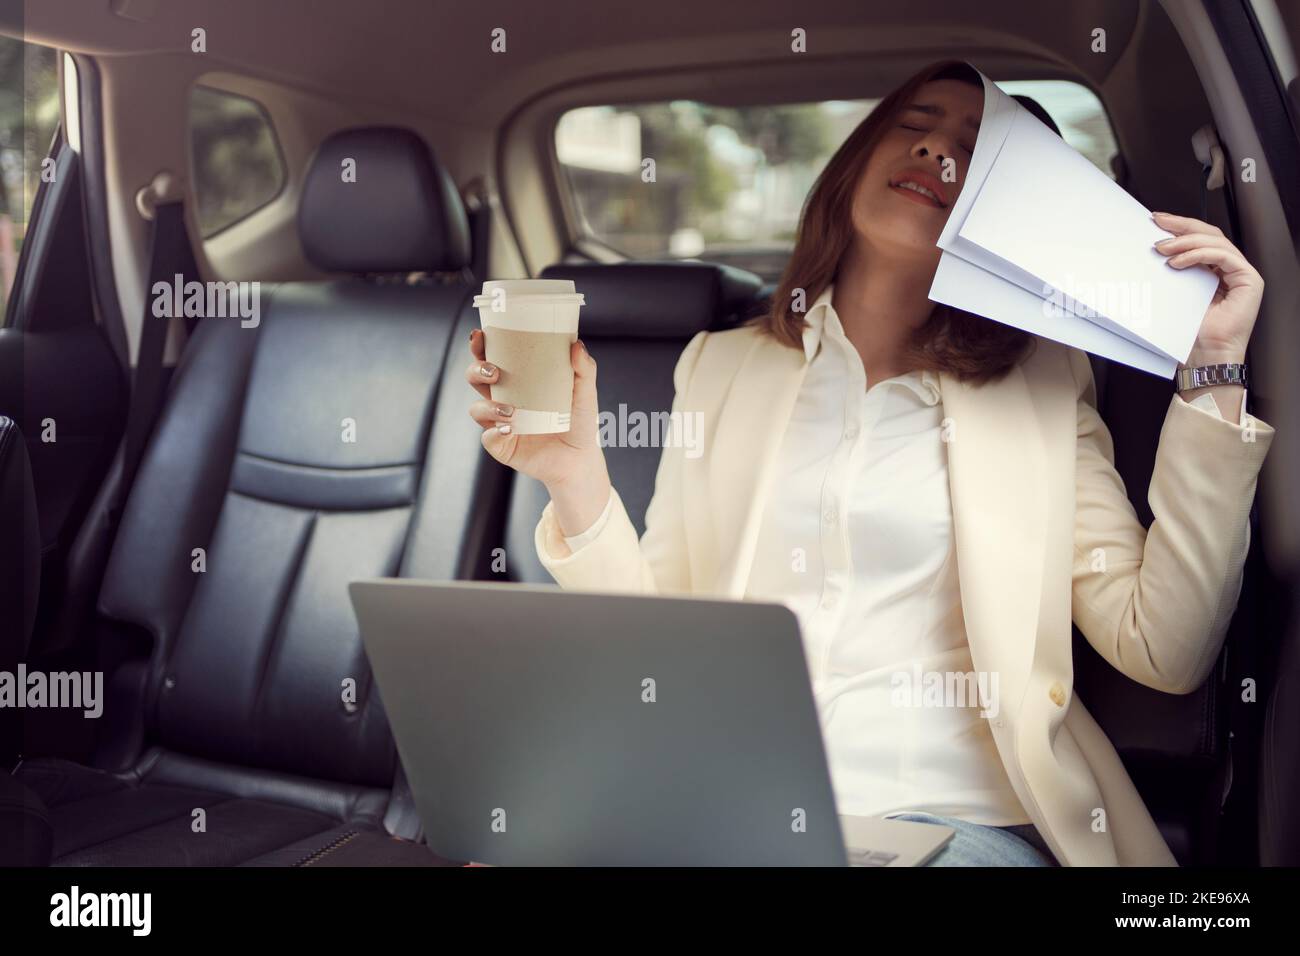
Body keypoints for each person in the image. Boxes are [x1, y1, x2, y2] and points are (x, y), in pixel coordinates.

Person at [464, 60, 1274, 866]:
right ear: (856, 158)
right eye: (914, 123)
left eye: (976, 146)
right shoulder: (718, 365)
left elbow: (1166, 651)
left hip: (952, 824)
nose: (935, 150)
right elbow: (659, 637)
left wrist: (1212, 368)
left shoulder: (1044, 386)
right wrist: (574, 477)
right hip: (731, 808)